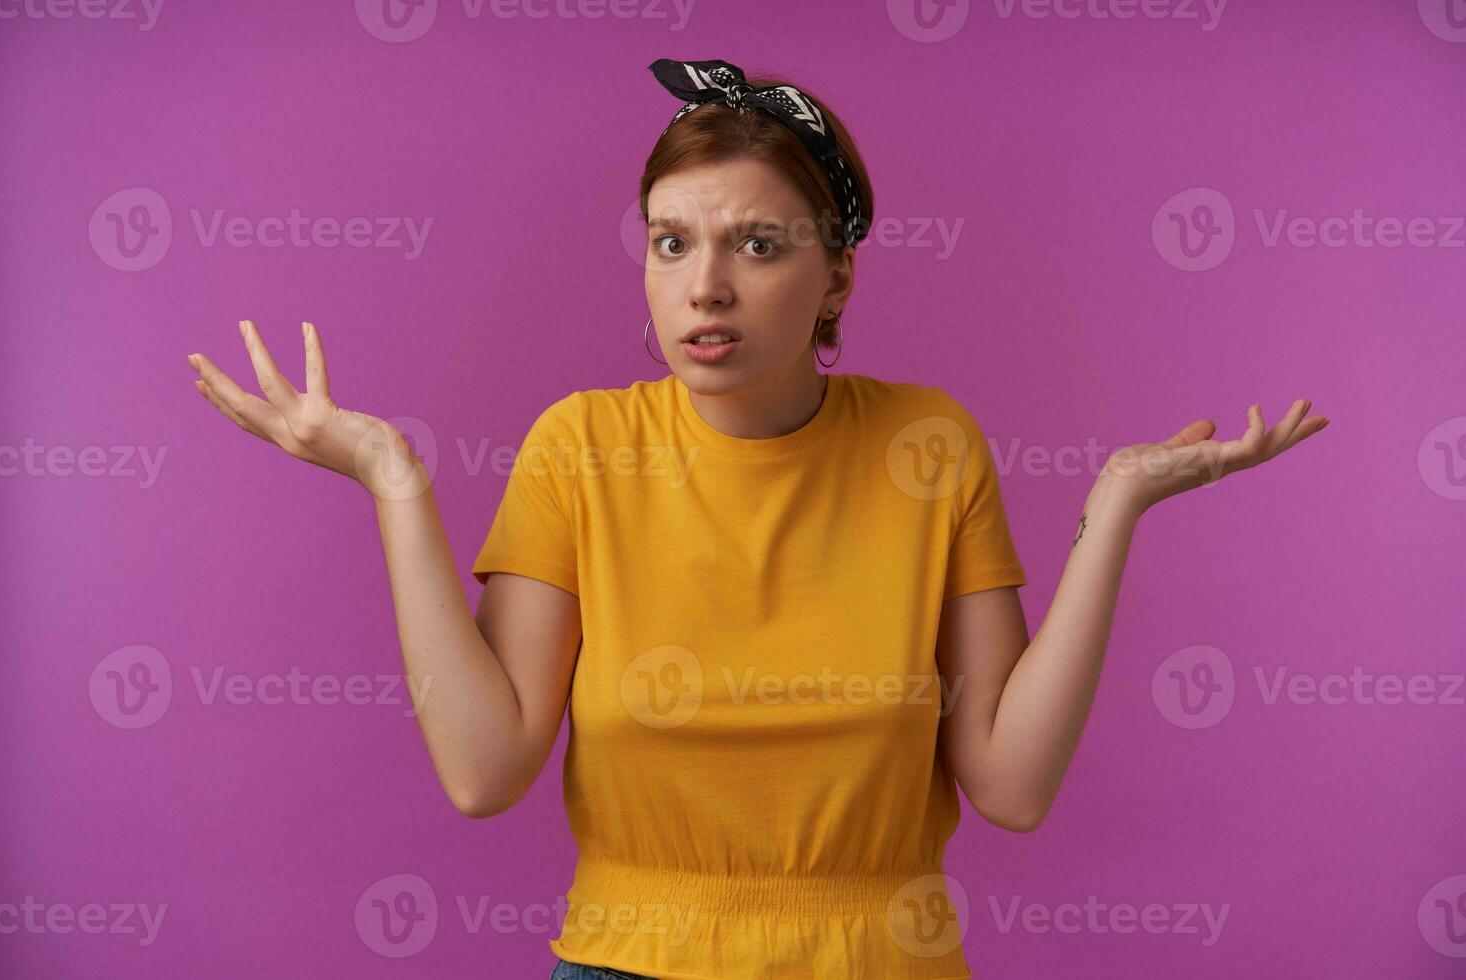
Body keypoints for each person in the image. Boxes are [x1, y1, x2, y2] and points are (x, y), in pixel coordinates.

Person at [184, 57, 1329, 980]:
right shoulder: (579, 448)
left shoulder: (929, 444)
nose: (705, 286)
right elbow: (485, 770)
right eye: (673, 241)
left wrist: (1114, 507)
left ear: (836, 274)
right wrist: (394, 479)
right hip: (629, 966)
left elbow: (1011, 786)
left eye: (760, 244)